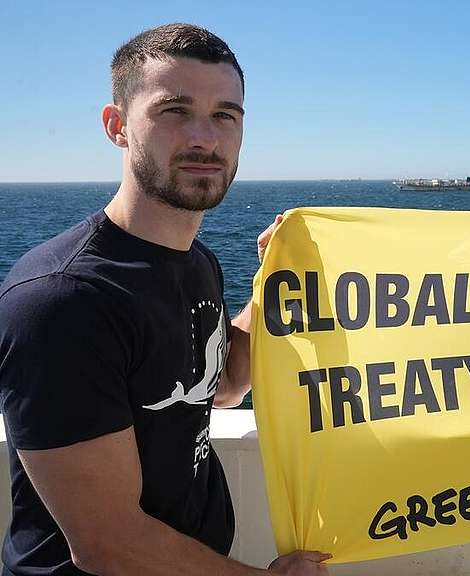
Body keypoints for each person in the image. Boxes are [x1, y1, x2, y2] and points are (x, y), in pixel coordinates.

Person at [0, 24, 328, 575]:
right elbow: (109, 543)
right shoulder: (61, 301)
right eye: (174, 110)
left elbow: (220, 389)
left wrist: (272, 285)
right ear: (117, 126)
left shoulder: (197, 263)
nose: (205, 137)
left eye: (226, 115)